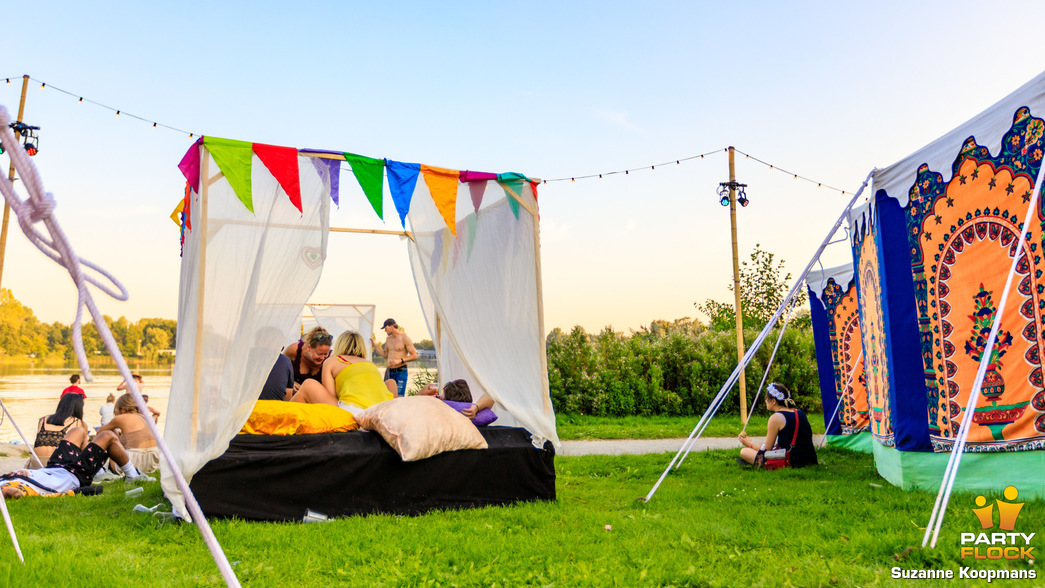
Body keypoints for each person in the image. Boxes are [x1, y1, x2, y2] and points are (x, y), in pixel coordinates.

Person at [0, 427, 144, 499]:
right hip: (73, 476)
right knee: (108, 436)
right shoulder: (10, 490)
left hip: (53, 468)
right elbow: (15, 494)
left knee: (78, 431)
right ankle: (133, 475)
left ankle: (98, 471)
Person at [292, 331, 396, 414]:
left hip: (356, 413)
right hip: (383, 412)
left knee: (308, 385)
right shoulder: (370, 364)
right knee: (390, 382)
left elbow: (330, 397)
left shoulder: (332, 361)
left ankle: (285, 416)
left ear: (340, 345)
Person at [737, 382, 818, 468]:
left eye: (766, 399)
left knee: (744, 451)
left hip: (791, 460)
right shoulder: (799, 412)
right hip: (810, 459)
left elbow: (767, 449)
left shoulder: (775, 418)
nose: (765, 401)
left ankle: (763, 465)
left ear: (773, 401)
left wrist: (749, 444)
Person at [97, 393, 160, 475]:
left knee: (110, 432)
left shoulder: (120, 418)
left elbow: (100, 433)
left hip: (133, 461)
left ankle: (98, 467)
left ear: (123, 410)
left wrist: (115, 432)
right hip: (152, 461)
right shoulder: (147, 417)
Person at [30, 394, 88, 468]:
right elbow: (85, 452)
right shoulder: (79, 423)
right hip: (57, 465)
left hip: (36, 463)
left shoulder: (43, 420)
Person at [371, 318, 417, 397]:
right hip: (390, 371)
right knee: (387, 395)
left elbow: (414, 356)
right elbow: (385, 355)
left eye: (385, 328)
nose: (385, 331)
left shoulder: (404, 338)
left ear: (391, 327)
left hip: (401, 371)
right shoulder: (388, 339)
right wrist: (375, 346)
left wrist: (400, 360)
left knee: (399, 396)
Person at [282, 327, 333, 392]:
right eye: (319, 354)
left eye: (325, 354)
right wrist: (290, 383)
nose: (322, 358)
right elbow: (279, 369)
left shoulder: (331, 359)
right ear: (309, 347)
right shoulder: (293, 351)